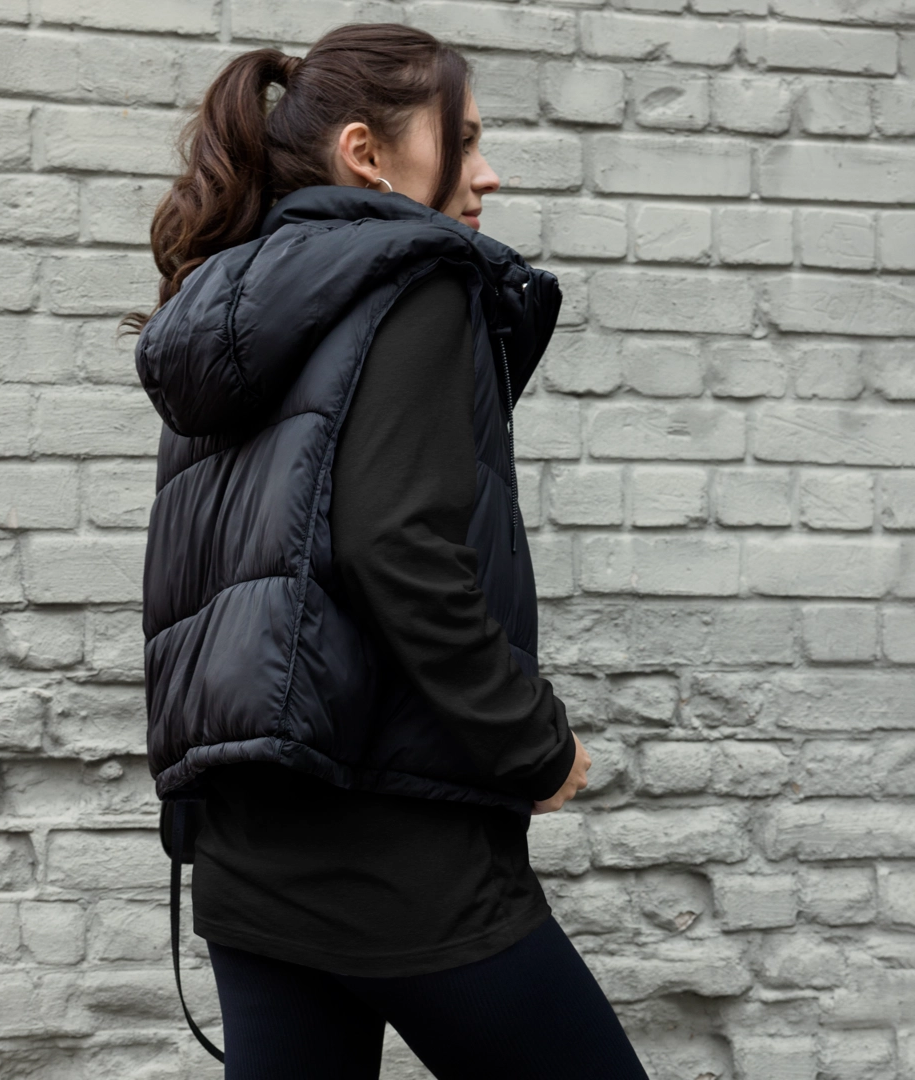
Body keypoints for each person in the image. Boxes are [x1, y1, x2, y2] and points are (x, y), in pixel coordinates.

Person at [125, 22, 651, 1080]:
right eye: (465, 138)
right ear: (367, 153)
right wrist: (535, 745)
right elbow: (395, 544)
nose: (489, 173)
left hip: (249, 837)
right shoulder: (417, 277)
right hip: (396, 848)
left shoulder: (229, 307)